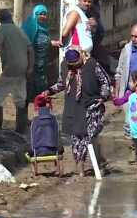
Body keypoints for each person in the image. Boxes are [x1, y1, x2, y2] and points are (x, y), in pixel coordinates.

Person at [42, 48, 110, 177]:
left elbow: (105, 81)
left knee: (90, 136)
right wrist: (49, 91)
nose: (74, 67)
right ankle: (80, 168)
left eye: (76, 64)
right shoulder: (65, 67)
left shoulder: (92, 64)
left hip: (91, 105)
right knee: (76, 138)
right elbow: (62, 83)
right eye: (71, 65)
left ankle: (99, 164)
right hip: (73, 107)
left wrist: (103, 97)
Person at [0, 9, 34, 133]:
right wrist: (30, 67)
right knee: (20, 97)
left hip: (11, 67)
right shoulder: (19, 30)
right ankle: (21, 129)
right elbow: (30, 49)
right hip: (23, 66)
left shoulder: (2, 29)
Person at [22, 4, 56, 102]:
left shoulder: (43, 26)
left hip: (42, 58)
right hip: (32, 57)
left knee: (41, 77)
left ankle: (40, 96)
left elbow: (44, 40)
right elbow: (25, 41)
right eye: (40, 14)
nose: (42, 16)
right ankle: (31, 97)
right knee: (32, 76)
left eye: (44, 14)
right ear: (35, 14)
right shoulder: (30, 25)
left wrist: (53, 43)